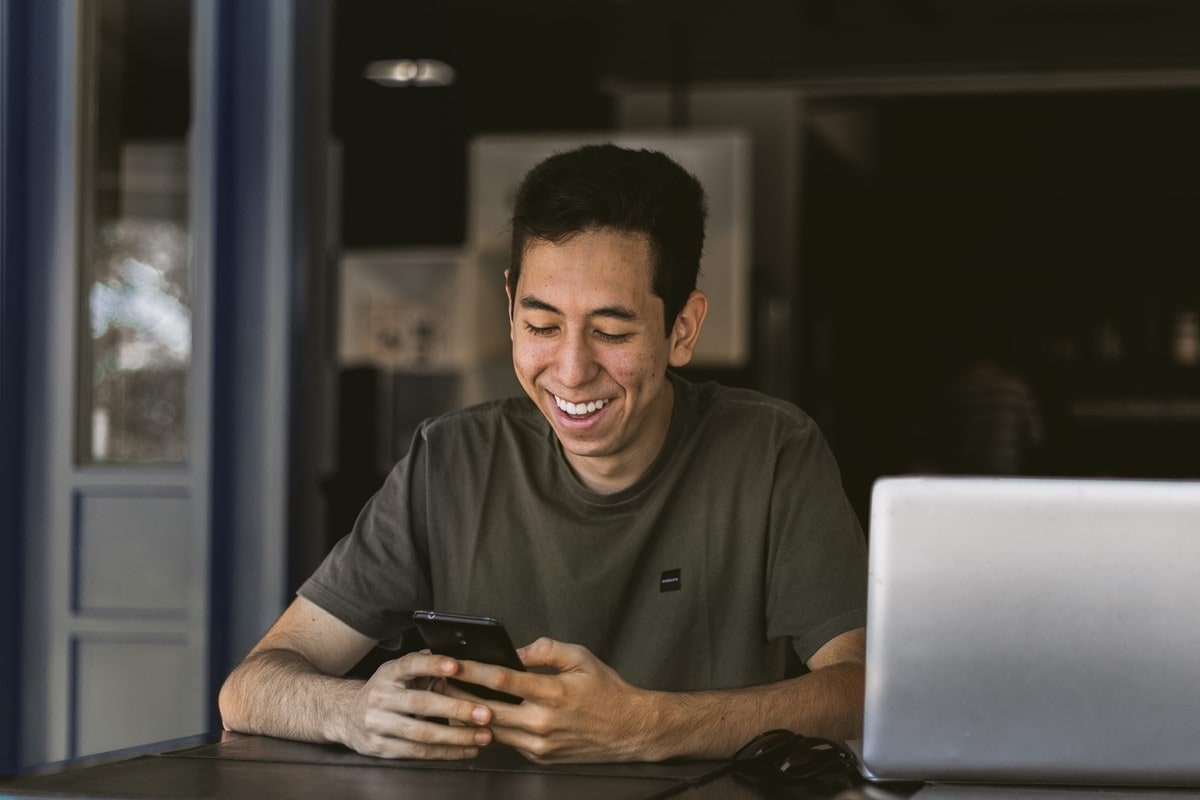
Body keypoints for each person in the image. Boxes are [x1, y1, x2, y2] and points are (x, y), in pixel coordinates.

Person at [218, 143, 868, 764]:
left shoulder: (771, 452)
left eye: (611, 332)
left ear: (684, 328)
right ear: (509, 308)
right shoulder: (450, 461)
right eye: (541, 326)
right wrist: (354, 712)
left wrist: (642, 727)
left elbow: (861, 692)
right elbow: (249, 688)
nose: (571, 369)